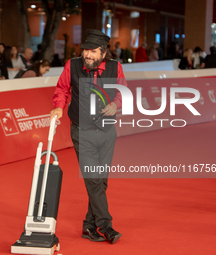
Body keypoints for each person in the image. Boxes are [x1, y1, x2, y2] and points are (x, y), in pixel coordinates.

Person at [50, 29, 127, 244]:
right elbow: (62, 89)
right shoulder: (72, 65)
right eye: (85, 51)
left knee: (100, 181)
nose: (87, 55)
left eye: (92, 51)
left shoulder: (115, 67)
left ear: (103, 53)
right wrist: (58, 107)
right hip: (81, 131)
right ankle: (106, 225)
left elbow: (122, 92)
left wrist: (115, 104)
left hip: (106, 131)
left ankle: (88, 227)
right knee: (94, 179)